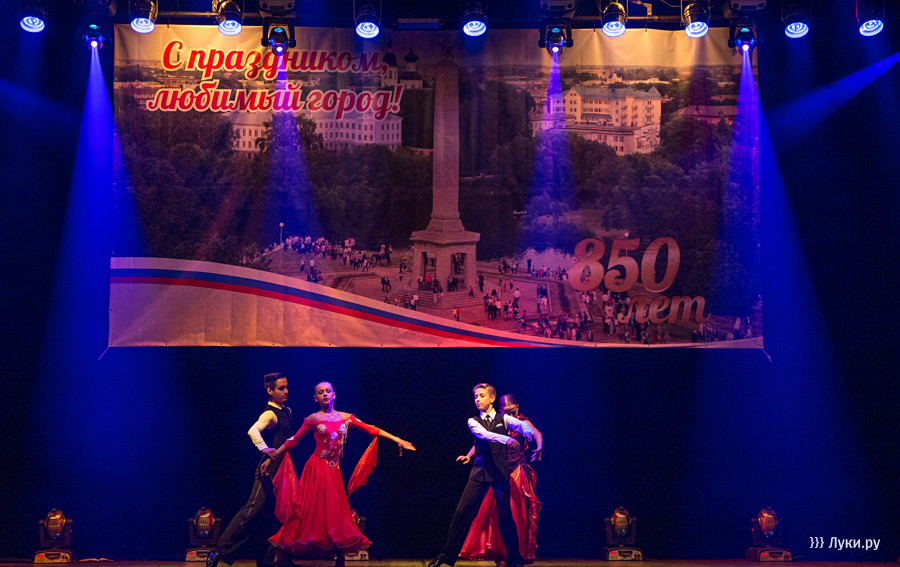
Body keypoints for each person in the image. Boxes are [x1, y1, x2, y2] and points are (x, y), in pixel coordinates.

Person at [266, 381, 416, 567]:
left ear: (334, 394)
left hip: (333, 470)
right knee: (305, 511)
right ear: (315, 398)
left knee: (337, 513)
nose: (325, 394)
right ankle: (281, 553)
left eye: (328, 391)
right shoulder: (313, 419)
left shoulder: (346, 418)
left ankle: (340, 559)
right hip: (316, 469)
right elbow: (293, 440)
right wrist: (272, 456)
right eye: (320, 392)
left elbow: (371, 428)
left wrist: (397, 439)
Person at [428, 384, 534, 567]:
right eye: (476, 396)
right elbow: (483, 435)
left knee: (505, 517)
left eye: (482, 396)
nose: (477, 399)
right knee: (462, 513)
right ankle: (446, 556)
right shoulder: (473, 421)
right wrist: (507, 439)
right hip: (479, 473)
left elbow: (522, 424)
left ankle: (515, 558)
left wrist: (528, 432)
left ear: (492, 398)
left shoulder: (504, 419)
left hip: (499, 474)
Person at [207, 372, 293, 567]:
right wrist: (265, 449)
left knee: (273, 517)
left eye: (287, 387)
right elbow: (253, 430)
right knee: (250, 511)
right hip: (268, 471)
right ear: (269, 391)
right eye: (281, 388)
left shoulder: (286, 410)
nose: (286, 391)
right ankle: (217, 551)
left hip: (283, 472)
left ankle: (267, 561)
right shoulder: (270, 414)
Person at [458, 394, 542, 565]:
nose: (510, 415)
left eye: (513, 412)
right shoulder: (501, 422)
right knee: (496, 514)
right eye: (506, 412)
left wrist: (539, 446)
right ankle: (500, 555)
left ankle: (516, 554)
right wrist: (468, 456)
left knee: (516, 512)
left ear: (517, 407)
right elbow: (481, 440)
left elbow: (536, 433)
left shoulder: (522, 421)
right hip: (498, 471)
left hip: (516, 470)